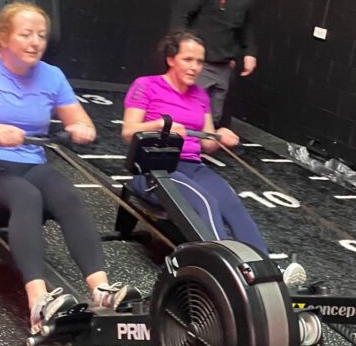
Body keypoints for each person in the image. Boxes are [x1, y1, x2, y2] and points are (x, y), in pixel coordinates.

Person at [0, 1, 141, 334]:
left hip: (29, 164)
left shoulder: (52, 75)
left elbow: (80, 119)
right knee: (25, 195)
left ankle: (101, 289)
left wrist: (81, 128)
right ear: (4, 37)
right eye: (26, 34)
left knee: (65, 194)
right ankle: (38, 301)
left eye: (41, 36)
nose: (35, 42)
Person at [121, 29, 305, 288]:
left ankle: (267, 272)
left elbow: (206, 143)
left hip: (193, 166)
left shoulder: (200, 94)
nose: (194, 67)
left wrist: (221, 136)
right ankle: (228, 272)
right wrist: (161, 125)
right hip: (154, 168)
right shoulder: (147, 85)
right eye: (188, 60)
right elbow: (128, 132)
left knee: (232, 204)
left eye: (199, 62)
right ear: (171, 59)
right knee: (205, 202)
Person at [171, 0, 257, 126]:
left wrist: (250, 53)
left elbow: (246, 24)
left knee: (214, 116)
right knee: (189, 112)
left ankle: (203, 142)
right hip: (200, 63)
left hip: (224, 65)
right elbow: (181, 15)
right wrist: (178, 50)